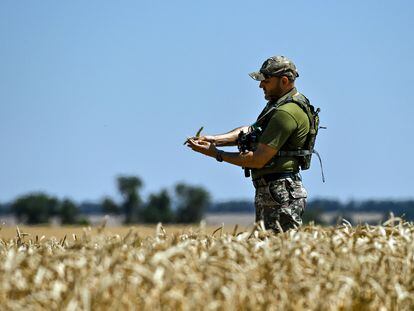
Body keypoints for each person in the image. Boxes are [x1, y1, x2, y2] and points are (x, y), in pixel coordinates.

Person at [187, 56, 315, 233]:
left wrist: (217, 154)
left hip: (280, 193)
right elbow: (250, 131)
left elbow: (257, 159)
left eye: (266, 81)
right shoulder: (278, 105)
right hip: (275, 190)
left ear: (284, 81)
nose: (261, 85)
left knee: (278, 252)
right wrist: (214, 139)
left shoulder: (286, 113)